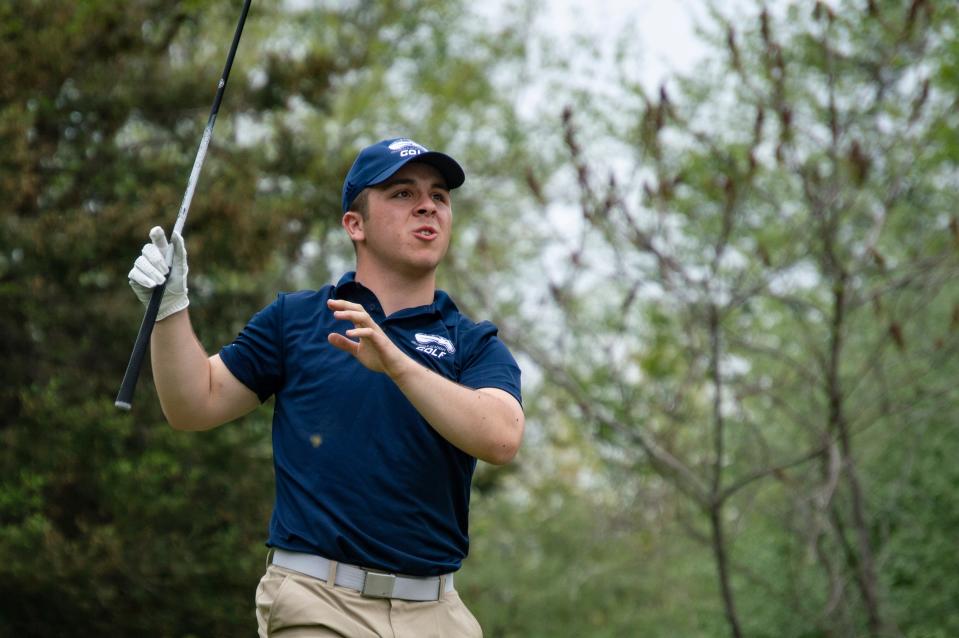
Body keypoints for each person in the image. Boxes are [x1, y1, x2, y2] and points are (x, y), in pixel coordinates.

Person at [127, 137, 524, 637]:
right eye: (402, 193)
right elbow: (193, 406)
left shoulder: (472, 342)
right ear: (354, 225)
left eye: (439, 195)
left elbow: (502, 437)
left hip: (437, 612)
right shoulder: (295, 320)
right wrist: (169, 308)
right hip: (317, 602)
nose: (427, 205)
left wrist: (397, 365)